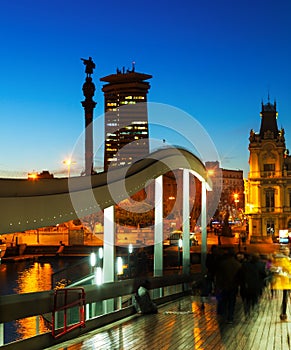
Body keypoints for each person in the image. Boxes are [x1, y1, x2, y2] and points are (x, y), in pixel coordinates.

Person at [215, 247, 241, 323]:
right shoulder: (238, 265)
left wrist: (218, 285)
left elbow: (219, 276)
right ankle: (230, 317)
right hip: (234, 286)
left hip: (224, 286)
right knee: (232, 302)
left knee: (224, 301)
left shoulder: (223, 264)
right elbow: (240, 277)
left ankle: (224, 315)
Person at [270, 246, 291, 321]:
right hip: (286, 281)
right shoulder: (283, 259)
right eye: (286, 250)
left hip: (286, 281)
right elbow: (286, 269)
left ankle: (283, 314)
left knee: (285, 298)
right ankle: (283, 314)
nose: (287, 251)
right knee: (285, 299)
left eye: (288, 250)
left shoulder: (285, 259)